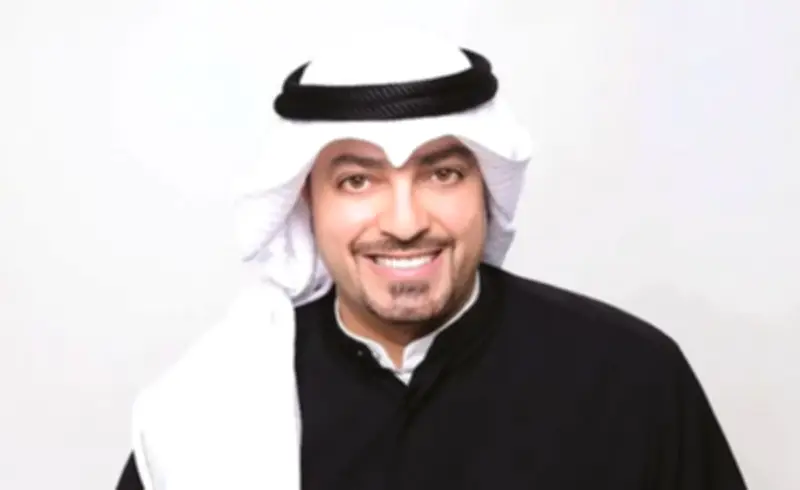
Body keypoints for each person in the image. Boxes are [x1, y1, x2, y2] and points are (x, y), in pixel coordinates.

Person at [116, 30, 748, 490]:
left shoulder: (631, 379)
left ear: (486, 188)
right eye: (357, 181)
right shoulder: (211, 408)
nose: (404, 223)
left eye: (441, 173)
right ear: (307, 202)